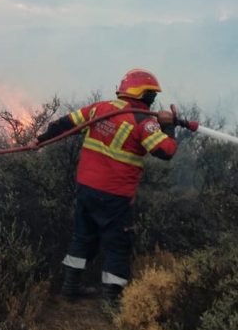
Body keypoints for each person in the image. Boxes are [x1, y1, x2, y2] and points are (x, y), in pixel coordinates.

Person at [31, 69, 179, 304]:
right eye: (151, 95)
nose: (152, 99)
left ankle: (70, 289)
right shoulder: (144, 121)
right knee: (117, 245)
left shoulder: (98, 109)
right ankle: (111, 301)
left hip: (86, 188)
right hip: (116, 196)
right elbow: (166, 151)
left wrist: (40, 140)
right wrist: (169, 127)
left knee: (82, 237)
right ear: (144, 95)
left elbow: (64, 123)